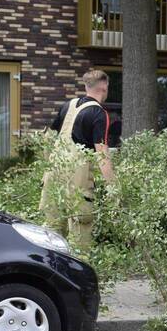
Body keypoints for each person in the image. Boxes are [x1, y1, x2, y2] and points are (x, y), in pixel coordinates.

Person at [39, 69, 116, 254]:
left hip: (53, 173)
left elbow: (47, 138)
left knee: (51, 231)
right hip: (77, 180)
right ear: (104, 87)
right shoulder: (99, 113)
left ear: (86, 86)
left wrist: (49, 164)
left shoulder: (67, 106)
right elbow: (102, 156)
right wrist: (114, 188)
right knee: (80, 233)